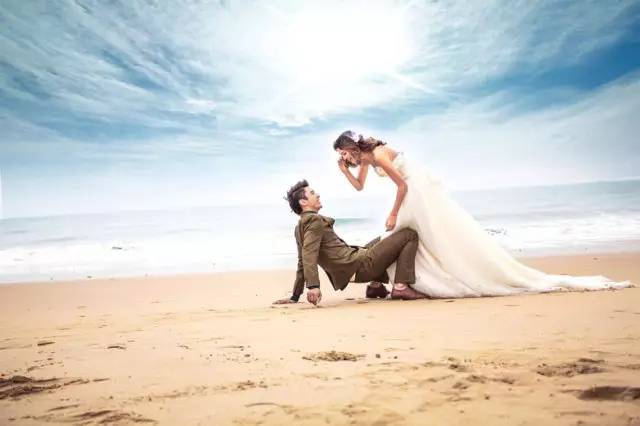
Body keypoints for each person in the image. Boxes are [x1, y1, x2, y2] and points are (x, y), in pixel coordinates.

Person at [333, 130, 631, 298]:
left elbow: (402, 186)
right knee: (403, 236)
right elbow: (359, 187)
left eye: (343, 153)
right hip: (410, 190)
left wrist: (392, 213)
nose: (344, 157)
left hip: (415, 189)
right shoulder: (364, 160)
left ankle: (395, 283)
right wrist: (344, 171)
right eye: (342, 156)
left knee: (403, 231)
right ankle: (391, 283)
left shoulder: (378, 154)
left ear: (351, 147)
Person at [273, 180, 427, 306]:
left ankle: (375, 287)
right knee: (409, 235)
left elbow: (302, 262)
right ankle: (401, 287)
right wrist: (313, 286)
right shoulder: (314, 221)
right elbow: (308, 256)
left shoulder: (299, 228)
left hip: (354, 264)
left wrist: (295, 295)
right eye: (312, 193)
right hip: (360, 266)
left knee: (385, 237)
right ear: (303, 201)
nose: (317, 195)